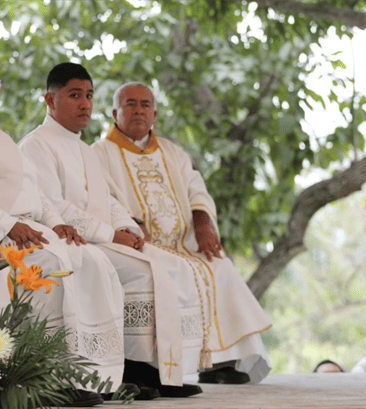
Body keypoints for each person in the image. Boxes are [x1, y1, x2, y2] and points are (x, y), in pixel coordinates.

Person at [0, 51, 134, 405]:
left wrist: (57, 223)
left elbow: (32, 190)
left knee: (93, 261)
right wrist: (6, 225)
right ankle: (41, 381)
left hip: (24, 227)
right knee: (47, 269)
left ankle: (93, 376)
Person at [20, 63, 219, 398]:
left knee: (173, 266)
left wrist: (127, 226)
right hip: (70, 240)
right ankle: (128, 371)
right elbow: (51, 205)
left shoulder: (84, 149)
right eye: (74, 95)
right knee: (143, 273)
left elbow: (108, 199)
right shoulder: (36, 145)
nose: (85, 104)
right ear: (50, 101)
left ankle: (160, 371)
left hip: (99, 238)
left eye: (89, 95)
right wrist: (110, 234)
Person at [91, 81, 273, 385]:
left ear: (154, 114)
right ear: (114, 112)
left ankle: (220, 361)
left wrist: (203, 224)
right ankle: (157, 365)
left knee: (220, 266)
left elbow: (196, 189)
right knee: (173, 273)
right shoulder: (98, 154)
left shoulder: (173, 152)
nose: (138, 110)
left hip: (186, 244)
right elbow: (101, 198)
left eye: (145, 105)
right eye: (130, 104)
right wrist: (130, 222)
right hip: (140, 243)